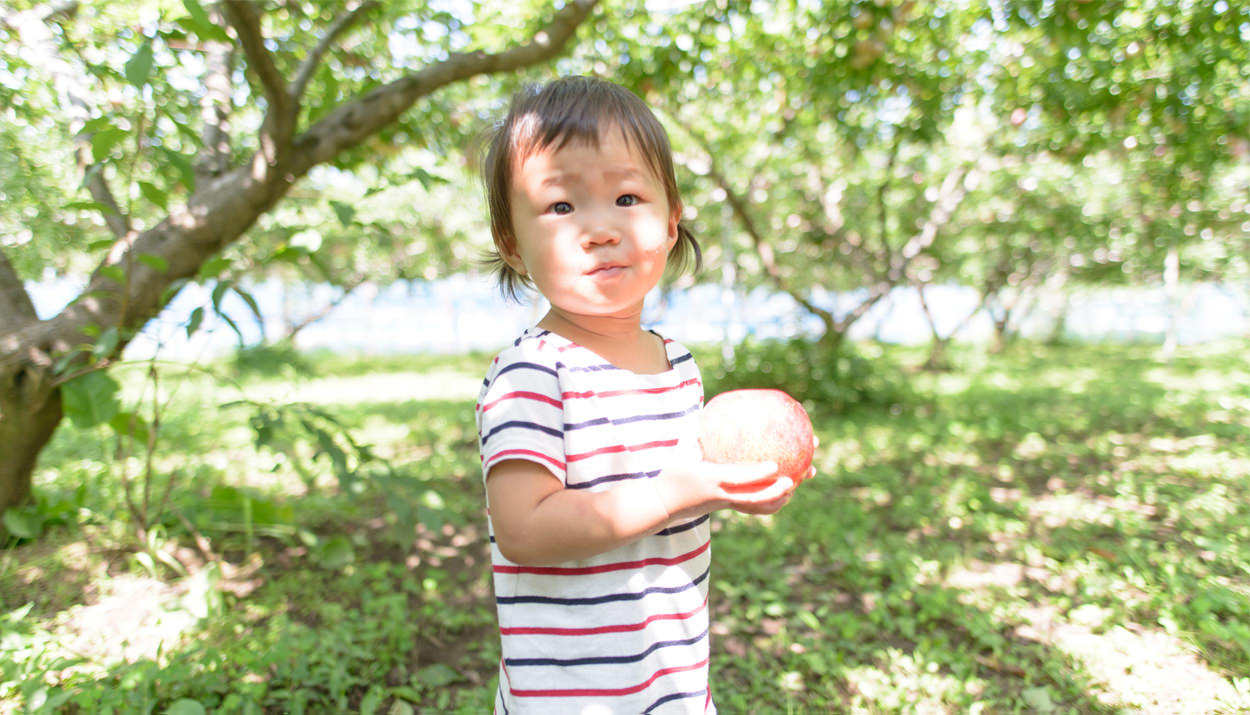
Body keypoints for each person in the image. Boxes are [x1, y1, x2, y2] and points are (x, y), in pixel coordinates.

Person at [475, 75, 804, 714]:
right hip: (570, 696)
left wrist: (734, 489)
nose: (599, 228)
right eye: (562, 207)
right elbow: (523, 528)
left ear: (672, 222)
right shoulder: (532, 375)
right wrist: (667, 494)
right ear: (512, 243)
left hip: (670, 682)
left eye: (627, 197)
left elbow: (684, 494)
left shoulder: (677, 363)